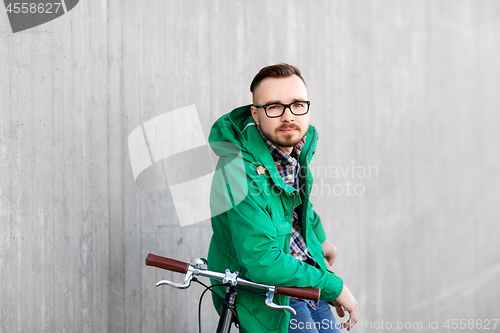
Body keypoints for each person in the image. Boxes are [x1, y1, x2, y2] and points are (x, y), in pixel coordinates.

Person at [207, 63, 358, 333]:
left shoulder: (292, 149)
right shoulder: (238, 170)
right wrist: (332, 286)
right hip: (270, 293)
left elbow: (297, 204)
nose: (288, 116)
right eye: (274, 107)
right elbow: (262, 260)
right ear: (255, 114)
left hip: (302, 274)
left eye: (298, 104)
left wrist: (319, 238)